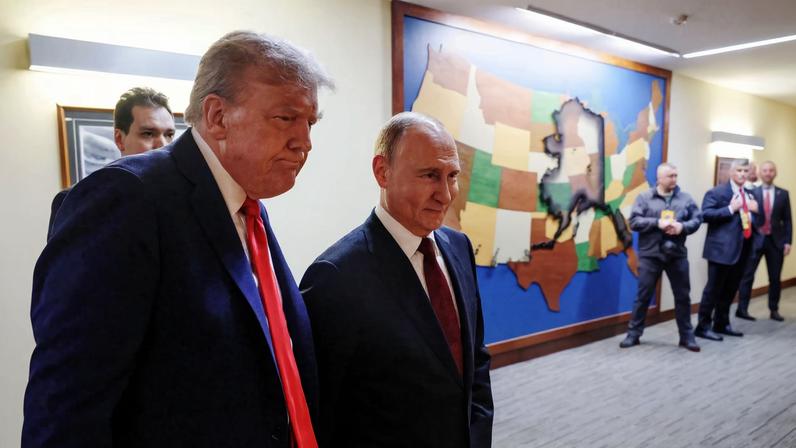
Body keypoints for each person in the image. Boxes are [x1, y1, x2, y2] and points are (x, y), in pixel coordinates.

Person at [24, 31, 333, 447]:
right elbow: (67, 405)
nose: (304, 142)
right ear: (218, 116)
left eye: (309, 123)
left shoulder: (247, 208)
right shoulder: (127, 199)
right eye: (285, 118)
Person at [300, 112, 493, 447]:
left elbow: (475, 362)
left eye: (452, 176)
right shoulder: (336, 277)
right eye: (430, 175)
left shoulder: (458, 247)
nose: (446, 195)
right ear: (382, 172)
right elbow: (325, 411)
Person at [47, 87, 176, 240]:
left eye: (169, 135)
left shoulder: (183, 199)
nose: (162, 145)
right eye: (148, 134)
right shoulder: (78, 201)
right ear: (119, 139)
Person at [619, 163, 702, 351]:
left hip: (677, 255)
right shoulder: (644, 198)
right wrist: (658, 223)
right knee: (643, 296)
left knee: (682, 297)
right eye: (670, 176)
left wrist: (683, 227)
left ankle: (687, 337)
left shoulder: (686, 199)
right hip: (651, 255)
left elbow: (697, 219)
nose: (674, 179)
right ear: (659, 178)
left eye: (675, 175)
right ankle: (633, 335)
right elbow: (634, 222)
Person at [695, 159, 759, 341]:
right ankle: (702, 326)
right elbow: (705, 215)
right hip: (720, 250)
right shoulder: (716, 192)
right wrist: (731, 208)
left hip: (742, 249)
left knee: (731, 290)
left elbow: (753, 223)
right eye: (739, 170)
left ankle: (721, 323)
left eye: (745, 171)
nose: (742, 174)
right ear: (731, 172)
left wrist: (756, 211)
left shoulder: (750, 194)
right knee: (713, 290)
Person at [736, 161, 792, 321]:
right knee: (747, 275)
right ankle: (742, 309)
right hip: (755, 240)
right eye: (765, 170)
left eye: (771, 170)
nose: (768, 173)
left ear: (775, 172)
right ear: (760, 173)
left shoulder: (783, 194)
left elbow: (787, 220)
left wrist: (788, 241)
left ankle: (774, 309)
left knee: (775, 278)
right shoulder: (752, 192)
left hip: (776, 242)